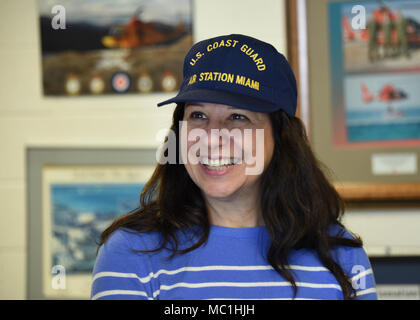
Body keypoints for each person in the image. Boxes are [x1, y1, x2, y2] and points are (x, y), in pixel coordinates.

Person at [91, 34, 377, 300]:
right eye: (198, 115)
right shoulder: (131, 252)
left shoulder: (340, 254)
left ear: (280, 137)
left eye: (238, 117)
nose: (212, 137)